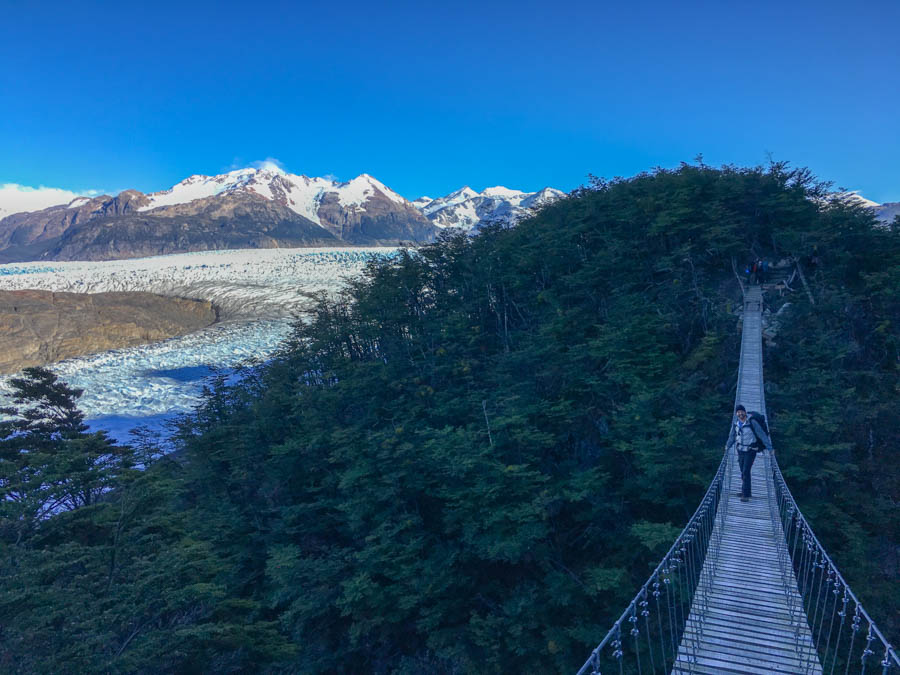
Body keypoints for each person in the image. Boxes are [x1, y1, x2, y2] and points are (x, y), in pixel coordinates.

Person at [725, 404, 773, 502]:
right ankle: (746, 491)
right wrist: (727, 446)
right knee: (743, 470)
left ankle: (745, 495)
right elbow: (732, 436)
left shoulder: (752, 422)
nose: (740, 413)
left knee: (746, 471)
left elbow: (762, 435)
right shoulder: (736, 424)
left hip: (751, 450)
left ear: (745, 412)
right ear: (736, 414)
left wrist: (770, 448)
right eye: (738, 412)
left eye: (741, 411)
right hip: (740, 449)